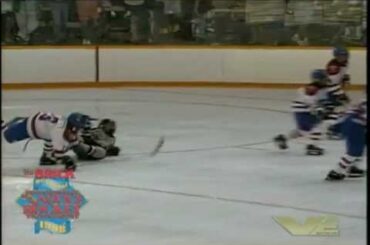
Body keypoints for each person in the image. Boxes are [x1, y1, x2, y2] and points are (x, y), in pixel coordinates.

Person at [2, 112, 90, 170]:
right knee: (6, 136)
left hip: (39, 124)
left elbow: (73, 141)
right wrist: (67, 161)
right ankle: (5, 126)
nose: (79, 132)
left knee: (48, 135)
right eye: (78, 129)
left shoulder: (64, 124)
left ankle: (46, 157)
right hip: (28, 127)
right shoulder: (58, 131)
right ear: (73, 128)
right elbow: (58, 155)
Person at [274, 70, 328, 155]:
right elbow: (309, 100)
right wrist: (318, 108)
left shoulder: (319, 89)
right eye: (324, 78)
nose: (326, 80)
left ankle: (282, 139)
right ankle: (312, 146)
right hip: (302, 111)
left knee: (303, 130)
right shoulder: (311, 88)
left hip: (306, 110)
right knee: (312, 128)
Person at [325, 100, 367, 180]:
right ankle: (336, 171)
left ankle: (352, 168)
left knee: (359, 147)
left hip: (350, 123)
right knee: (355, 151)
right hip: (355, 125)